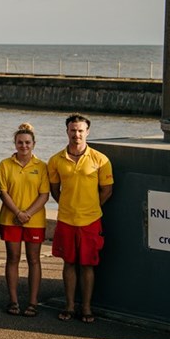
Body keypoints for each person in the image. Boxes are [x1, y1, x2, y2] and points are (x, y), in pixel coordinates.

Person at [48, 114, 113, 324]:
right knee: (68, 263)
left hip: (91, 221)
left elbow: (107, 190)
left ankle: (86, 308)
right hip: (66, 219)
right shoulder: (56, 160)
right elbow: (54, 190)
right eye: (73, 130)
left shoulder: (100, 159)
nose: (76, 134)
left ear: (87, 132)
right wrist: (68, 205)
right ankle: (69, 305)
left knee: (87, 265)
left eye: (80, 131)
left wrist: (91, 206)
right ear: (67, 131)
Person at [0, 123, 50, 318]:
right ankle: (13, 301)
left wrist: (27, 213)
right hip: (10, 219)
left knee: (34, 260)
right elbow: (3, 192)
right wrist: (18, 213)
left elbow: (44, 195)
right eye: (20, 142)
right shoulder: (5, 165)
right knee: (13, 258)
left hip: (34, 220)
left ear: (33, 144)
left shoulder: (42, 166)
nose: (24, 146)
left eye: (27, 142)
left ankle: (33, 302)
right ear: (15, 143)